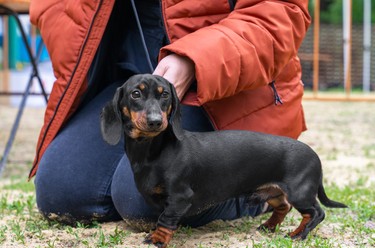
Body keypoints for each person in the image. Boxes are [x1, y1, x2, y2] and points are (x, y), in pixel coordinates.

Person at [29, 0, 311, 228]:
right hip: (126, 78)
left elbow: (280, 11)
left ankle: (256, 185)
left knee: (149, 199)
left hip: (223, 87)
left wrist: (193, 59)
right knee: (61, 192)